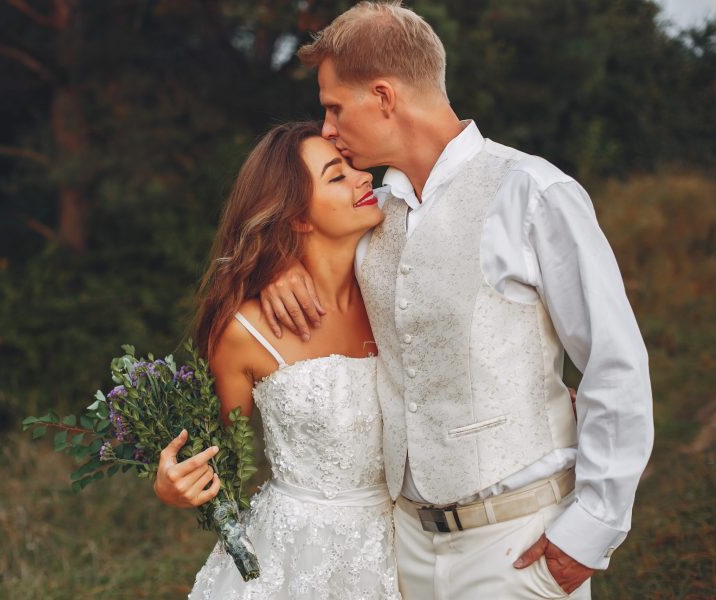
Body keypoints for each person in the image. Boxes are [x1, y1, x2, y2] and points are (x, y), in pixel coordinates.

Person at [256, 2, 654, 599]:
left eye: (335, 107)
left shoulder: (532, 193)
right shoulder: (373, 218)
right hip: (402, 550)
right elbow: (307, 260)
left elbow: (614, 361)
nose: (328, 129)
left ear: (385, 97)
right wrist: (276, 271)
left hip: (519, 547)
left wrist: (591, 528)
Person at [156, 121, 400, 598]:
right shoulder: (244, 333)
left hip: (405, 547)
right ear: (297, 217)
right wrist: (171, 486)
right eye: (337, 175)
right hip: (291, 562)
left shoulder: (397, 288)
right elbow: (213, 454)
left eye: (353, 165)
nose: (365, 177)